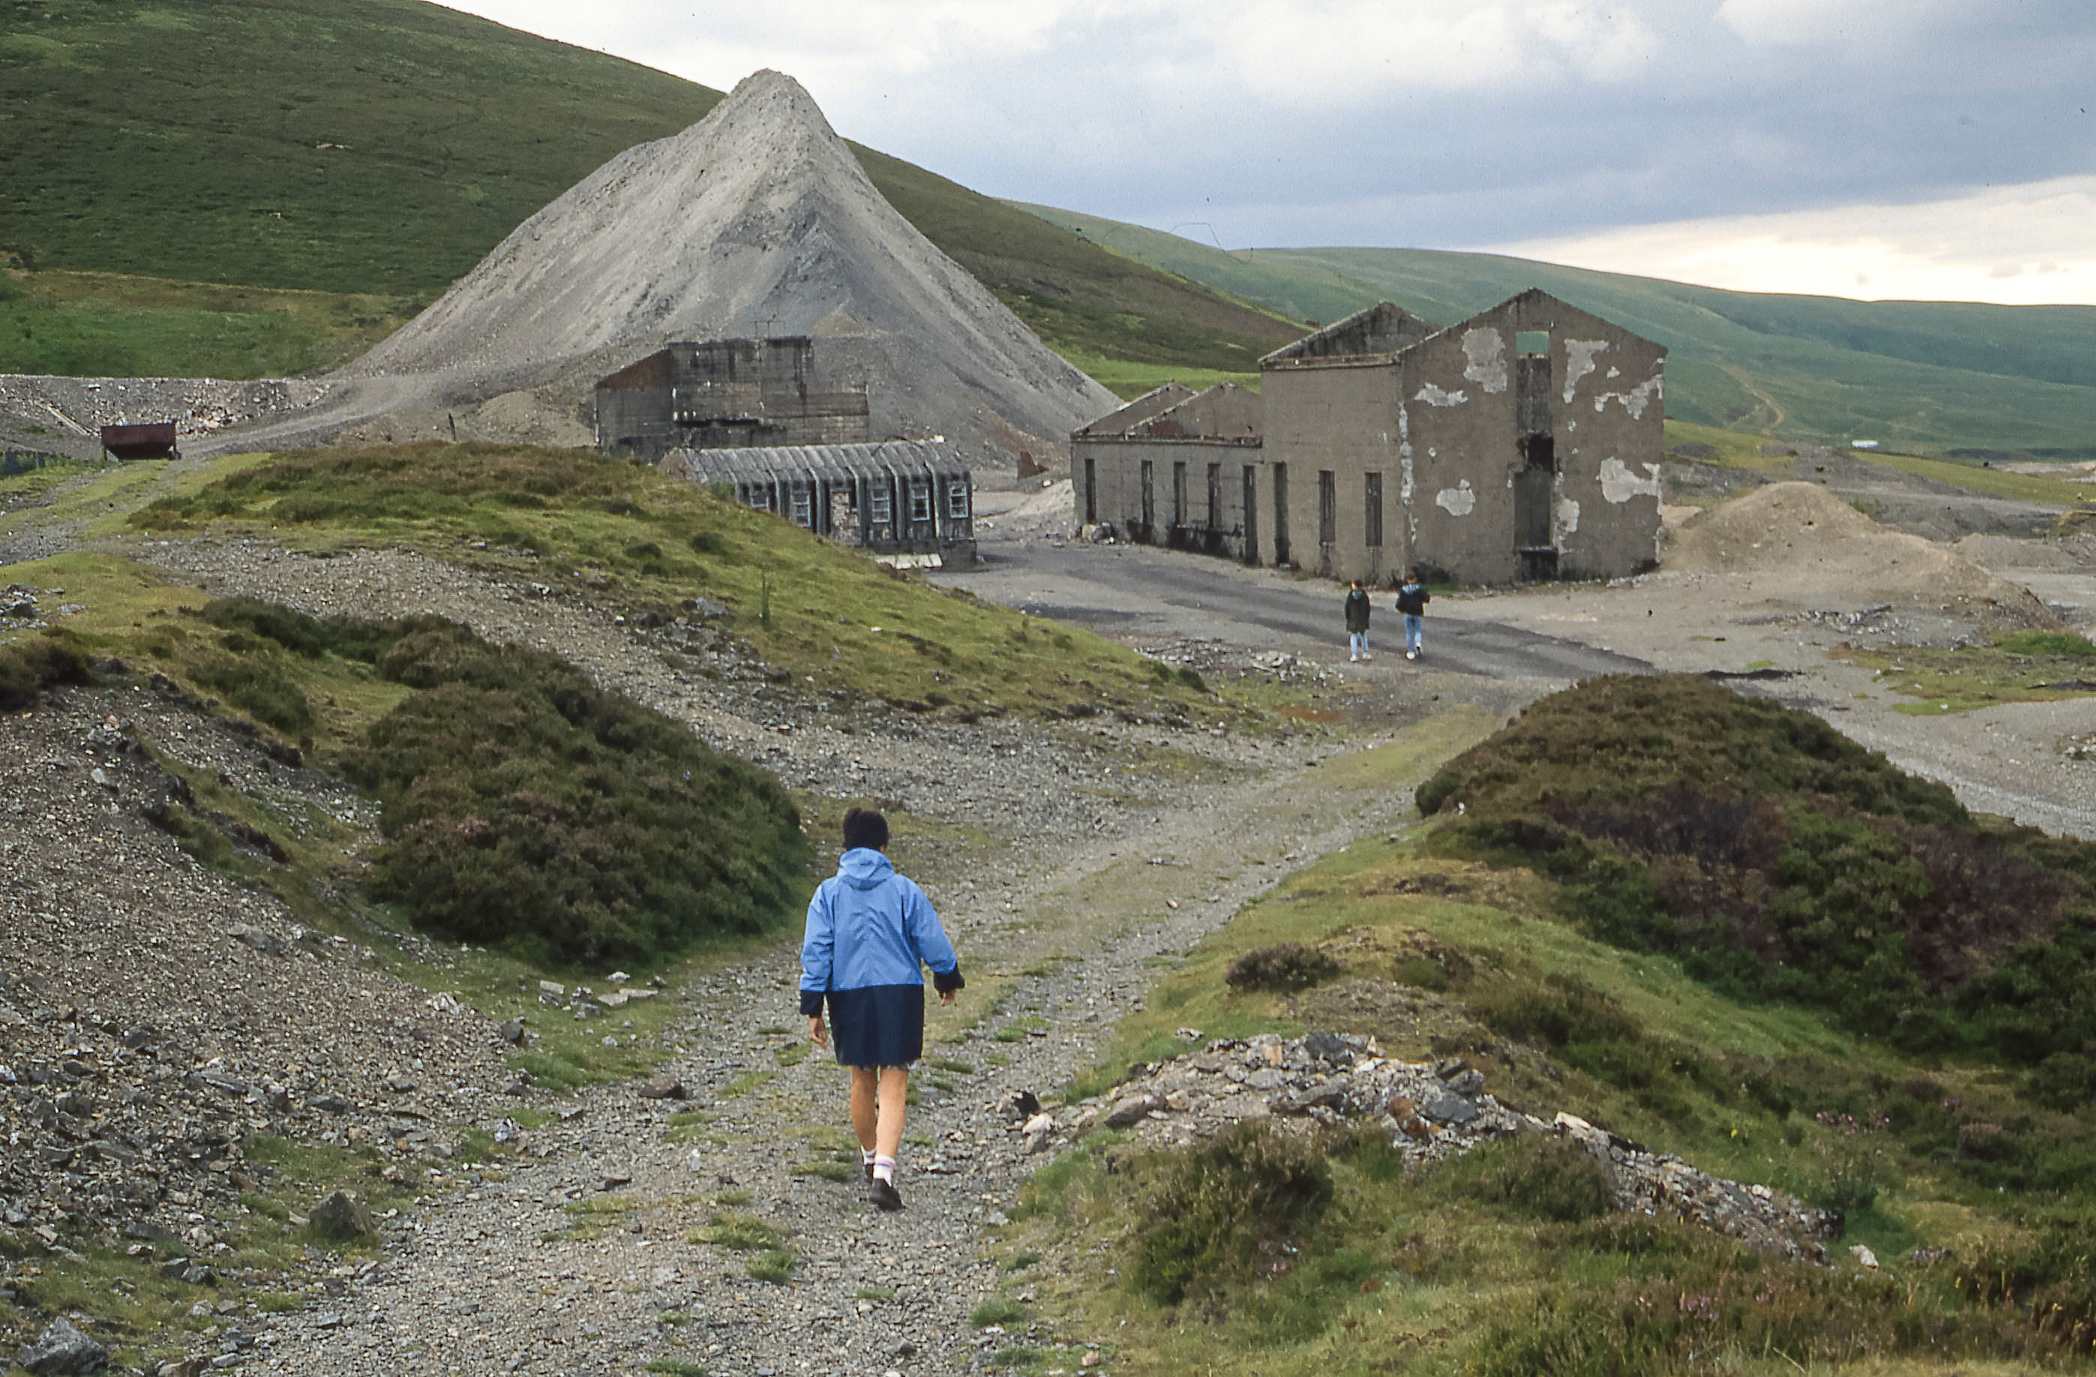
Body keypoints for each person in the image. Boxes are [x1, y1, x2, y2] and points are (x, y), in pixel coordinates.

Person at [800, 807, 964, 1212]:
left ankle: (872, 1158)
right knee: (895, 1081)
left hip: (848, 995)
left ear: (845, 846)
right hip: (899, 994)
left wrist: (813, 1005)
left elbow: (817, 951)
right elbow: (931, 938)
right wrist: (947, 977)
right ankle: (884, 1176)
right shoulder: (904, 889)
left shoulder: (827, 894)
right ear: (884, 845)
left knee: (862, 1079)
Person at [1395, 569, 1430, 661]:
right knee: (1418, 630)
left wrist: (1401, 609)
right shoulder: (1419, 589)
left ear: (1407, 580)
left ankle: (1410, 651)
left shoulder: (1403, 590)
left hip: (1407, 613)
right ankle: (1418, 643)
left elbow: (1399, 603)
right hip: (1417, 612)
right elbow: (1426, 598)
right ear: (1415, 579)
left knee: (1409, 632)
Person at [1343, 579, 1372, 661]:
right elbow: (1368, 608)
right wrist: (1366, 617)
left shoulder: (1350, 596)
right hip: (1363, 619)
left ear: (1355, 585)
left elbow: (1347, 608)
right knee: (1364, 636)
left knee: (1353, 637)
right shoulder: (1364, 595)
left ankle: (1354, 655)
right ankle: (1365, 653)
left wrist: (1348, 617)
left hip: (1353, 619)